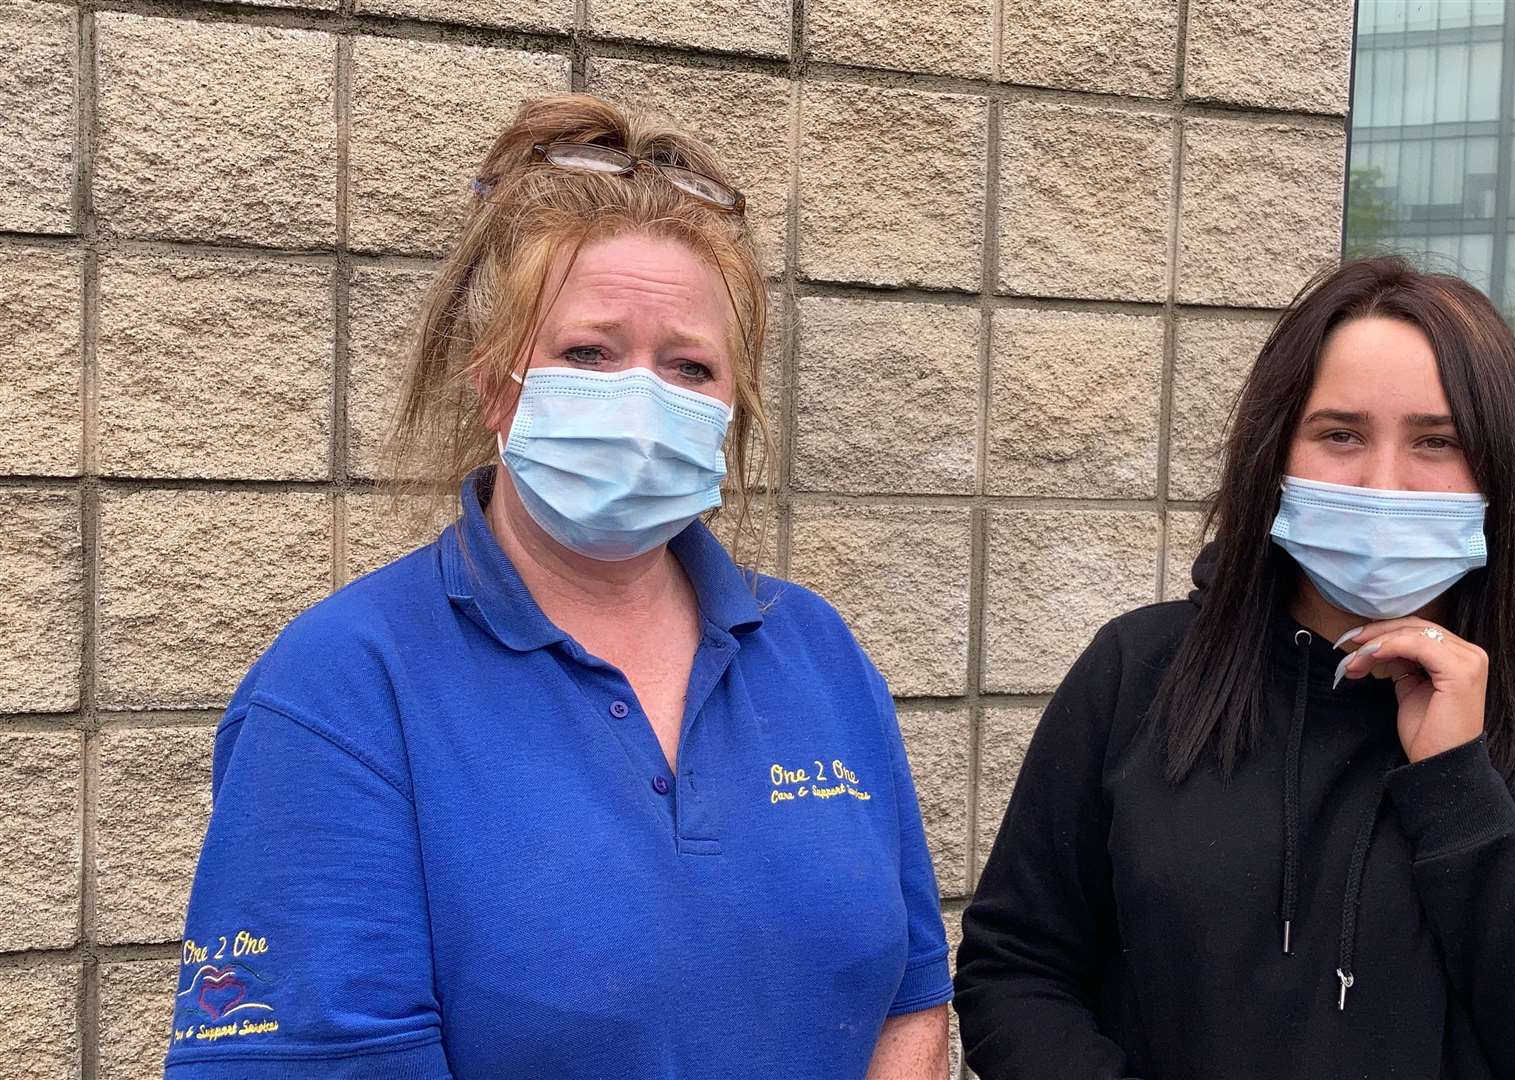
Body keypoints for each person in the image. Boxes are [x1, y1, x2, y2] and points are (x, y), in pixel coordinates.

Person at [163, 95, 950, 1080]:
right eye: (589, 353)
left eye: (689, 367)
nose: (641, 401)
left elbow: (912, 1003)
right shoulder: (342, 691)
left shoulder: (818, 653)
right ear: (498, 388)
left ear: (731, 411)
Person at [954, 256, 1515, 1080]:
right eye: (1340, 435)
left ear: (1500, 473)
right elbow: (1015, 971)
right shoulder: (1139, 674)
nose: (1384, 483)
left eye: (1437, 441)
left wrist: (1461, 793)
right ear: (1277, 455)